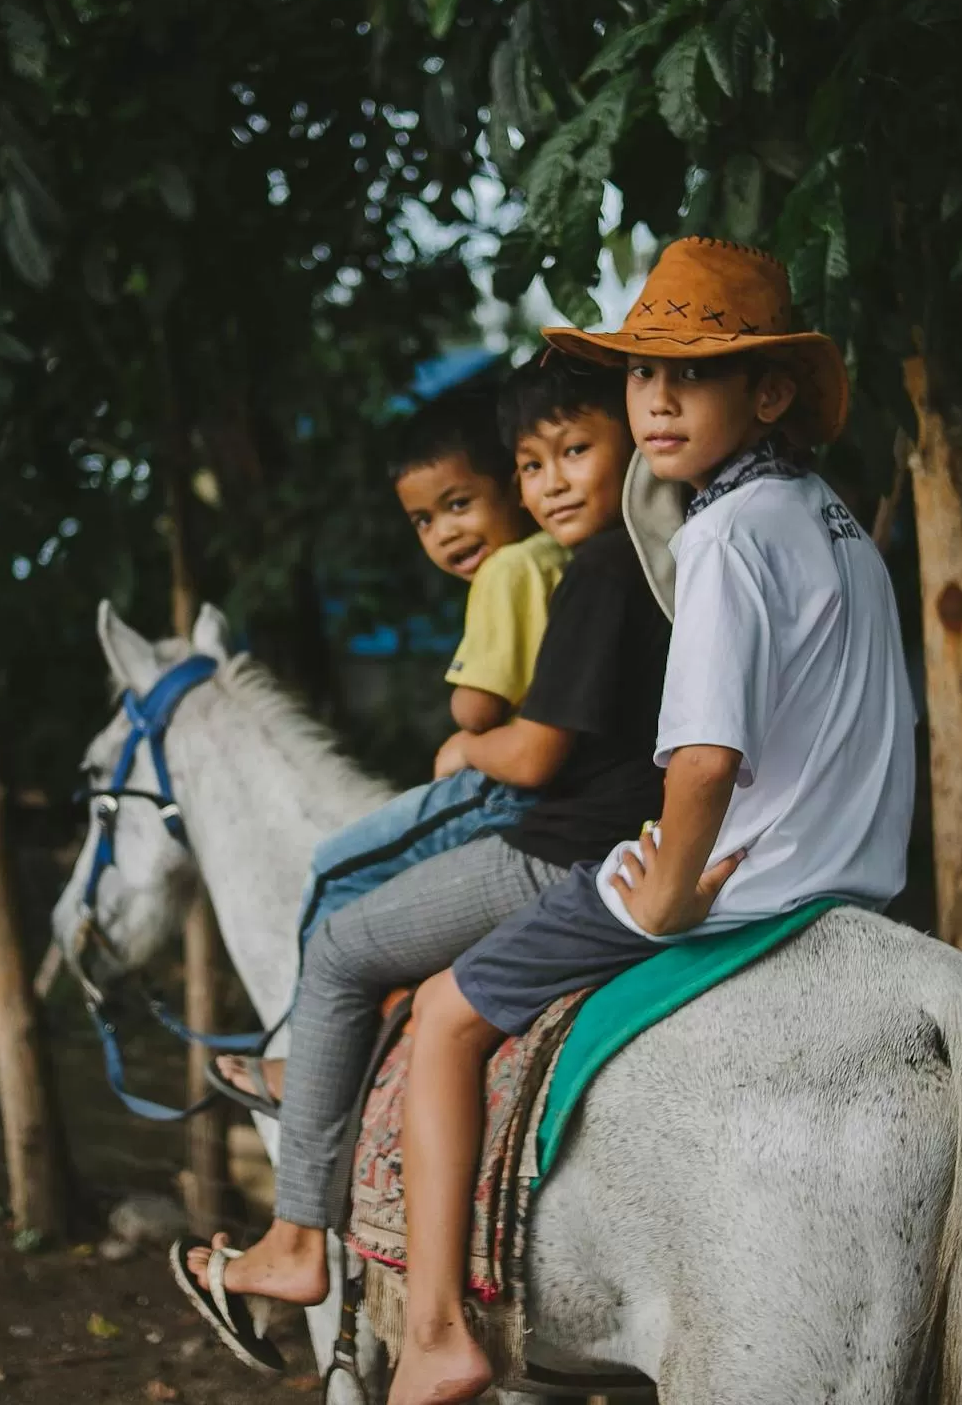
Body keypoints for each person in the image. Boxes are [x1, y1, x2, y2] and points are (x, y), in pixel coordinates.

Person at [385, 237, 919, 1405]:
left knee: (442, 1014)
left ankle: (432, 1331)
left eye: (693, 375)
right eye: (640, 375)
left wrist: (668, 889)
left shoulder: (722, 534)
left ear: (768, 392)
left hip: (753, 887)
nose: (658, 400)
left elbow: (707, 758)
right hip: (858, 883)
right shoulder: (823, 517)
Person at [173, 354, 674, 1375]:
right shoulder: (646, 559)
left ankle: (296, 1240)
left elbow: (529, 751)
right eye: (535, 464)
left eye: (573, 454)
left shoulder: (601, 572)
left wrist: (468, 748)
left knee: (344, 938)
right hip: (610, 826)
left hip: (568, 847)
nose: (554, 483)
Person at [205, 382, 565, 1112]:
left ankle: (307, 1064)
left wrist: (467, 737)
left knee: (334, 870)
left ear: (514, 487)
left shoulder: (509, 570)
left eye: (459, 504)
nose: (444, 534)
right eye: (424, 520)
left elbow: (477, 702)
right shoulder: (563, 556)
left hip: (510, 793)